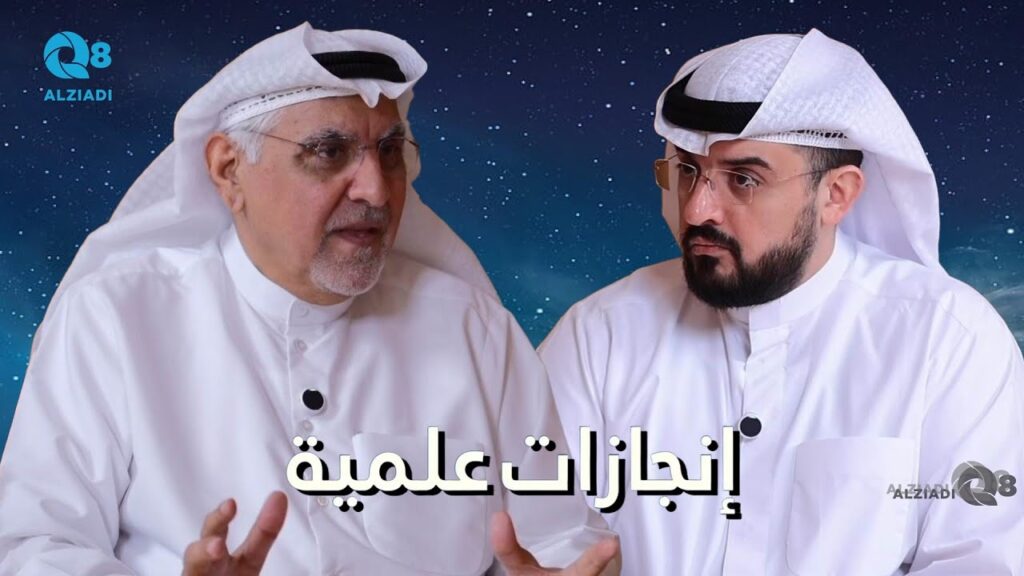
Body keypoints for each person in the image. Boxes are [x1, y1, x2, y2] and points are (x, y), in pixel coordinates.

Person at [0, 24, 619, 575]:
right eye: (329, 152)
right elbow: (34, 545)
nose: (375, 190)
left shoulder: (473, 329)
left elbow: (558, 537)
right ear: (229, 170)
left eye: (389, 152)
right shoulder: (116, 318)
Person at [540, 29, 1024, 575]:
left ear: (836, 194)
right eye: (688, 171)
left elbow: (980, 560)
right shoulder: (601, 333)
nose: (696, 210)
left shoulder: (947, 338)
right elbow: (541, 528)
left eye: (743, 179)